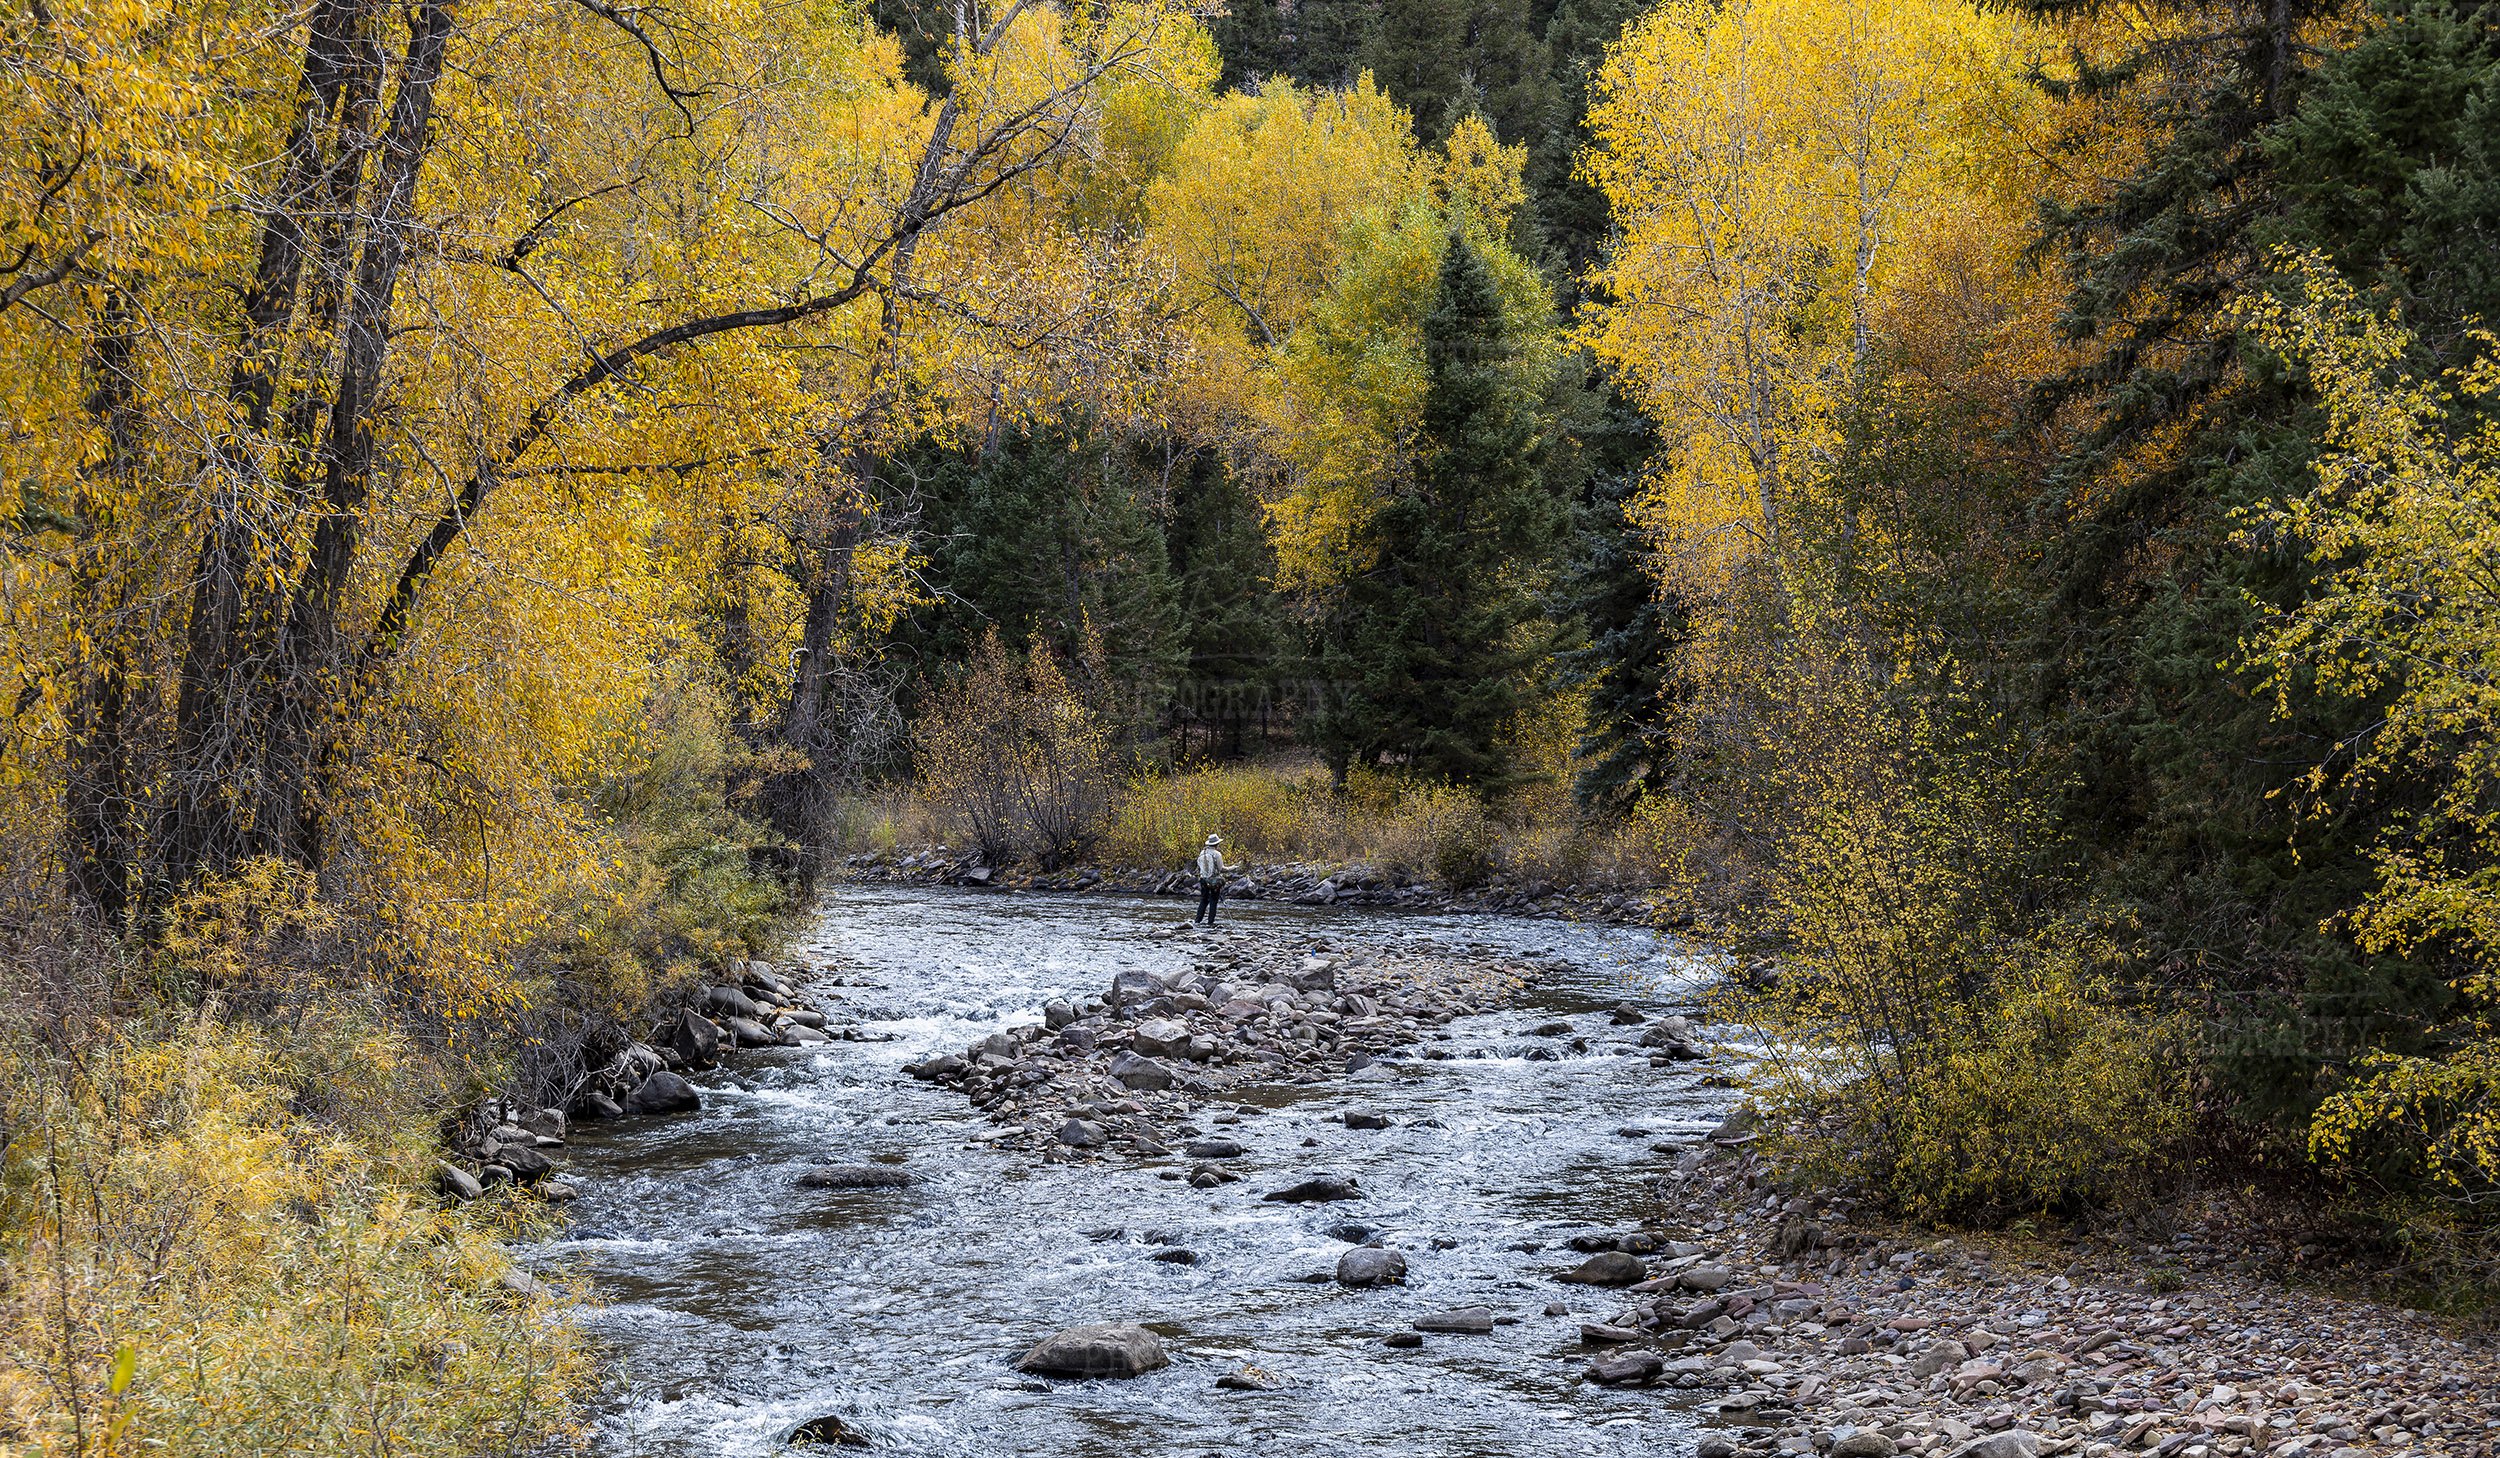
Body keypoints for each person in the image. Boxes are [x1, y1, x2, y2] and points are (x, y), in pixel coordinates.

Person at [1194, 833, 1234, 925]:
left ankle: (1197, 921)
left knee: (1204, 900)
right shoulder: (1217, 854)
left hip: (1203, 880)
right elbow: (1221, 869)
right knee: (1213, 901)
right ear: (1217, 844)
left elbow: (1200, 867)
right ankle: (1210, 922)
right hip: (1214, 881)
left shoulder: (1202, 853)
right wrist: (1232, 868)